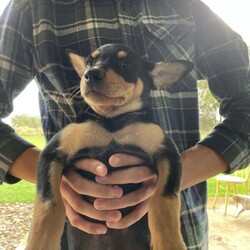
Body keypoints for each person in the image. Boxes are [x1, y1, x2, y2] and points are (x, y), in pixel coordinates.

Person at [0, 0, 249, 249]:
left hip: (178, 236)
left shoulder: (186, 6)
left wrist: (172, 176)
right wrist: (59, 183)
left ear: (159, 77)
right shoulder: (31, 7)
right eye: (89, 65)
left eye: (125, 65)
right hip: (71, 239)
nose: (93, 73)